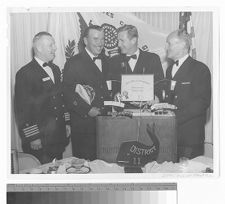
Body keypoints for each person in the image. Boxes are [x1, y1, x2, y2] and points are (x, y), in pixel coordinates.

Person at [14, 32, 71, 164]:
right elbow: (22, 109)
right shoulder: (25, 73)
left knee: (57, 171)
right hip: (40, 138)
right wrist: (33, 136)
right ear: (39, 48)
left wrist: (66, 122)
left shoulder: (55, 69)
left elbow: (61, 99)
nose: (55, 48)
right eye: (51, 45)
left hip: (57, 135)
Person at [63, 25, 110, 161]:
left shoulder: (107, 61)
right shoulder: (73, 63)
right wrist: (87, 109)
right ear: (85, 40)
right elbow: (67, 94)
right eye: (95, 39)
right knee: (85, 167)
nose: (100, 43)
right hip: (84, 125)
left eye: (102, 39)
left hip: (107, 125)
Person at [164, 29, 211, 160]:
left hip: (190, 138)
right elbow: (170, 99)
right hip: (169, 136)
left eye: (169, 43)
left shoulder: (200, 69)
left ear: (183, 45)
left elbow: (202, 102)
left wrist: (175, 118)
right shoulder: (169, 70)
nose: (166, 47)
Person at [108, 24, 164, 101]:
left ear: (133, 40)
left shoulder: (153, 59)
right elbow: (110, 87)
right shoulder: (113, 61)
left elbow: (160, 85)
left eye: (122, 41)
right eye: (118, 41)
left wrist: (156, 98)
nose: (118, 44)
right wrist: (115, 95)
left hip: (147, 110)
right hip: (123, 110)